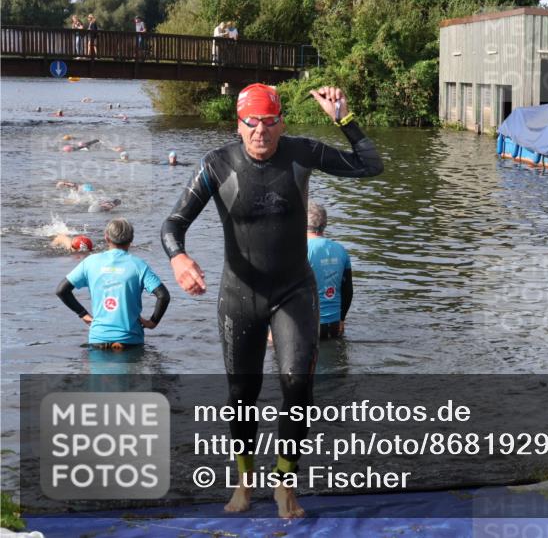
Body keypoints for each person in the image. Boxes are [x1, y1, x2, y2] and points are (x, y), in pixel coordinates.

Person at [161, 83, 382, 518]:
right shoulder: (217, 164)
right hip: (239, 296)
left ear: (281, 123)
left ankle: (284, 483)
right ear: (238, 125)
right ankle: (245, 483)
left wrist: (345, 119)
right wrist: (178, 257)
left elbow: (369, 165)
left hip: (294, 291)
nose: (260, 132)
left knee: (297, 386)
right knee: (242, 394)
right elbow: (173, 223)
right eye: (251, 123)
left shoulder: (301, 153)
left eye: (268, 122)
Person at [56, 218, 170, 350]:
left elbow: (61, 290)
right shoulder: (138, 265)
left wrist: (83, 314)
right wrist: (152, 322)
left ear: (106, 238)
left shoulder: (90, 262)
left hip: (98, 339)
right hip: (130, 341)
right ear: (131, 240)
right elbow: (163, 296)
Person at [306, 202, 353, 340]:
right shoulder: (340, 250)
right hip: (333, 326)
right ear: (324, 224)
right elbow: (348, 290)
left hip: (306, 326)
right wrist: (341, 320)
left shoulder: (299, 250)